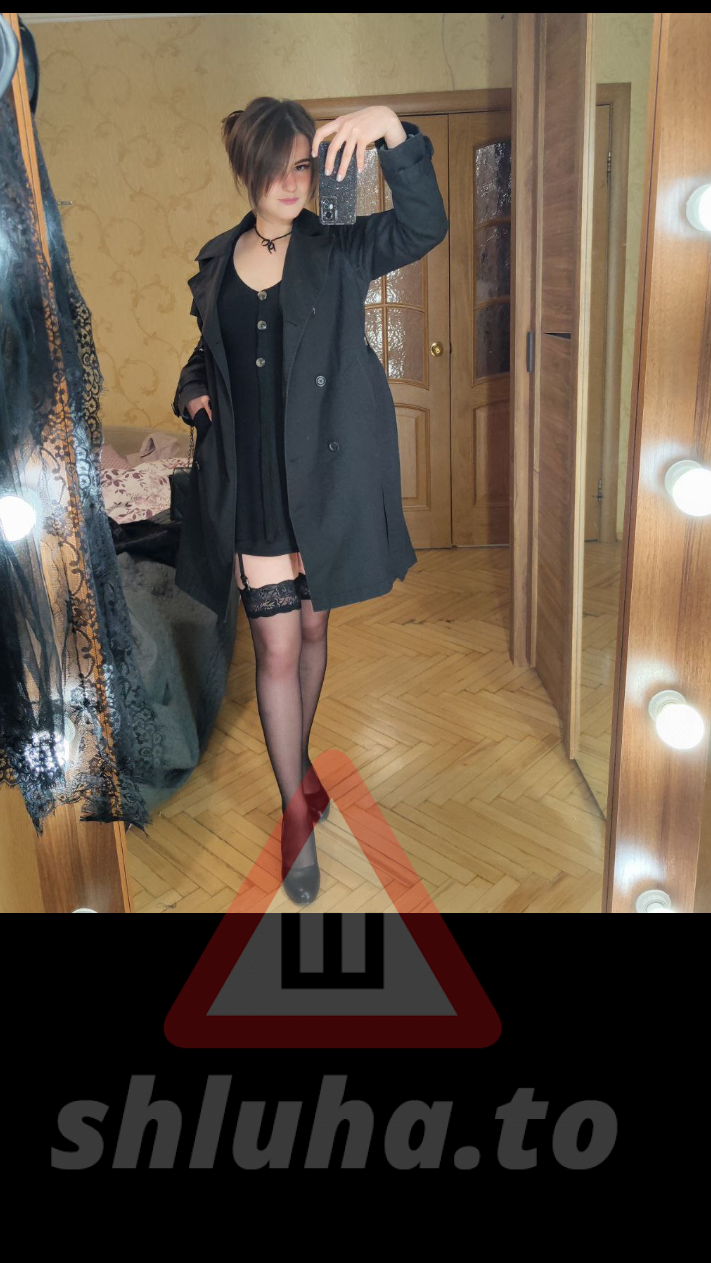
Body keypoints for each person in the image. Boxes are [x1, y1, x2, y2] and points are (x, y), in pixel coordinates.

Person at [174, 98, 448, 905]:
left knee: (316, 630)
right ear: (246, 171)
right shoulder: (217, 262)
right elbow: (208, 352)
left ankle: (298, 770)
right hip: (253, 483)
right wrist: (193, 391)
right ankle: (296, 811)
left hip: (324, 479)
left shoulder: (340, 247)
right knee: (276, 650)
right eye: (276, 168)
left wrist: (391, 130)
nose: (292, 182)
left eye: (303, 165)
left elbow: (425, 225)